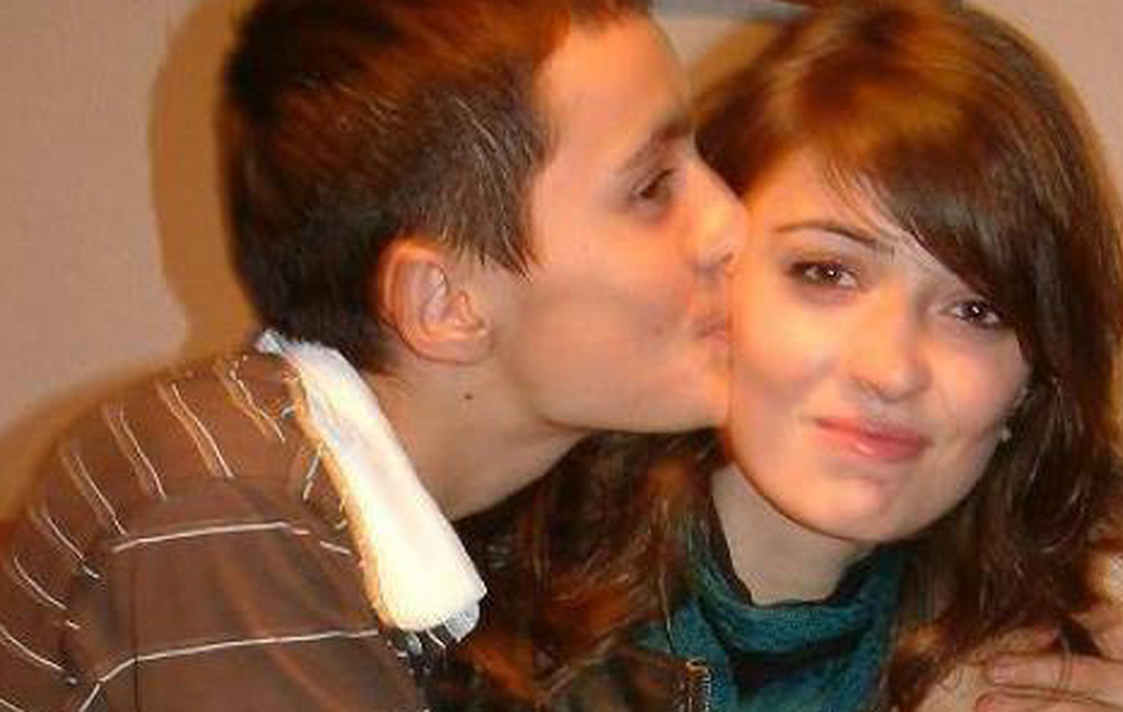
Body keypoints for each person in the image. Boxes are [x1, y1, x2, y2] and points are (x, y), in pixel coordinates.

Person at [438, 1, 1123, 710]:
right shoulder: (451, 614)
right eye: (827, 273)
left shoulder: (1034, 677)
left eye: (975, 311)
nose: (891, 369)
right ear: (715, 274)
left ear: (1032, 385)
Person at [0, 0, 745, 709]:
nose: (729, 223)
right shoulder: (228, 507)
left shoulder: (399, 512)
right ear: (444, 302)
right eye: (652, 188)